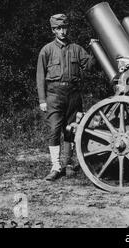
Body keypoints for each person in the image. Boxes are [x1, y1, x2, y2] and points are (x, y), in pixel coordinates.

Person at [36, 14, 95, 181]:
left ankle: (67, 163)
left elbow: (89, 66)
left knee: (71, 129)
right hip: (54, 95)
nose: (62, 31)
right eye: (58, 28)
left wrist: (95, 50)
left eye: (64, 28)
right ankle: (56, 166)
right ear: (53, 30)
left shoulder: (76, 49)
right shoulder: (47, 50)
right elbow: (40, 77)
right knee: (54, 129)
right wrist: (42, 99)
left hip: (73, 95)